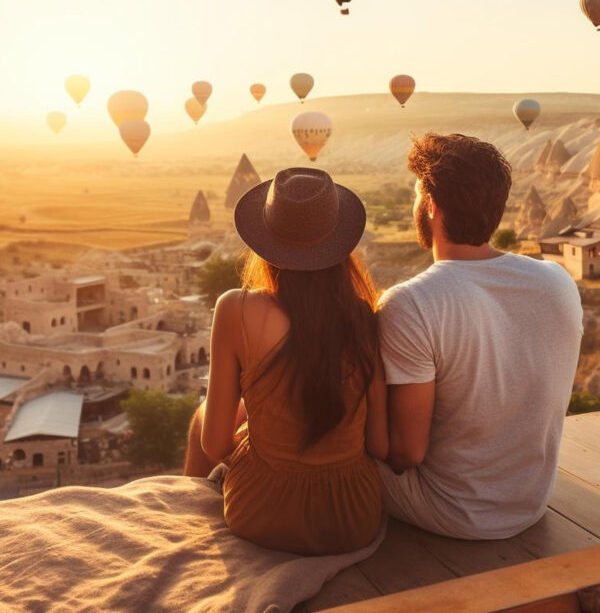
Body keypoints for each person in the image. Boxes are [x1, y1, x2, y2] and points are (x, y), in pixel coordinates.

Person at [377, 133, 583, 540]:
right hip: (529, 501)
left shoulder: (411, 303)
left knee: (317, 455)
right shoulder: (557, 281)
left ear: (431, 206)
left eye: (418, 195)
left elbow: (407, 452)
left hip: (452, 511)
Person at [183, 167, 388, 555]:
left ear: (265, 242)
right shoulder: (366, 317)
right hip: (352, 518)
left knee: (206, 414)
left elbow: (214, 444)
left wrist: (270, 453)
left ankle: (187, 520)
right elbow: (379, 444)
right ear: (339, 245)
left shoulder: (235, 308)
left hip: (258, 512)